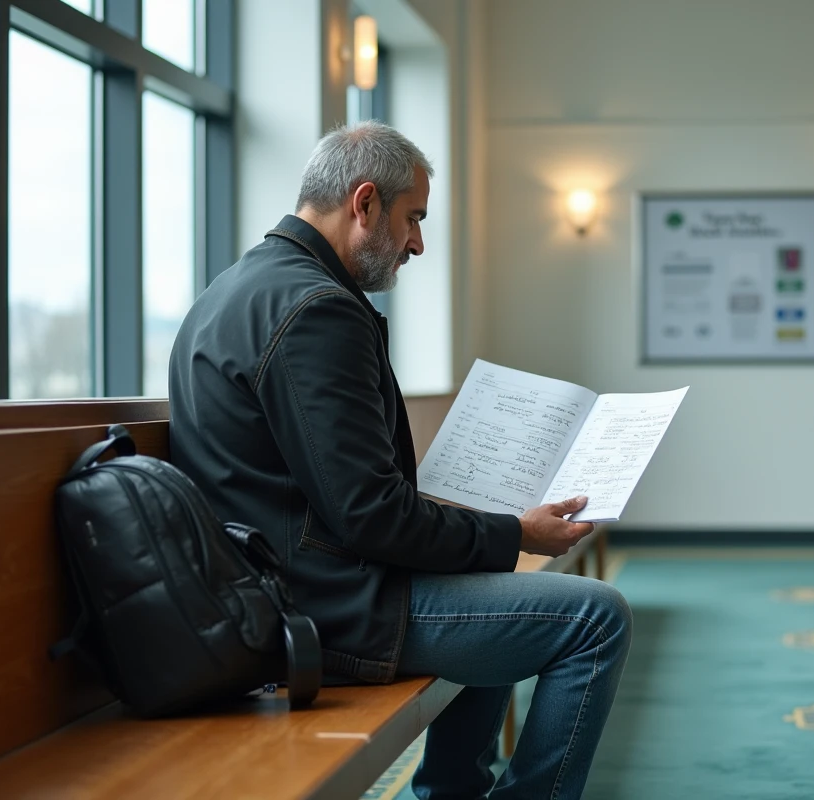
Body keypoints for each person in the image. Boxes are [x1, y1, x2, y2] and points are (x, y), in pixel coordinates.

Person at [168, 120, 632, 799]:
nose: (417, 242)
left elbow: (349, 499)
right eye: (412, 218)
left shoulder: (241, 286)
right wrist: (515, 533)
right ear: (364, 203)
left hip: (278, 584)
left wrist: (488, 537)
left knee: (496, 585)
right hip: (321, 606)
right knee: (597, 619)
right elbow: (368, 515)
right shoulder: (316, 309)